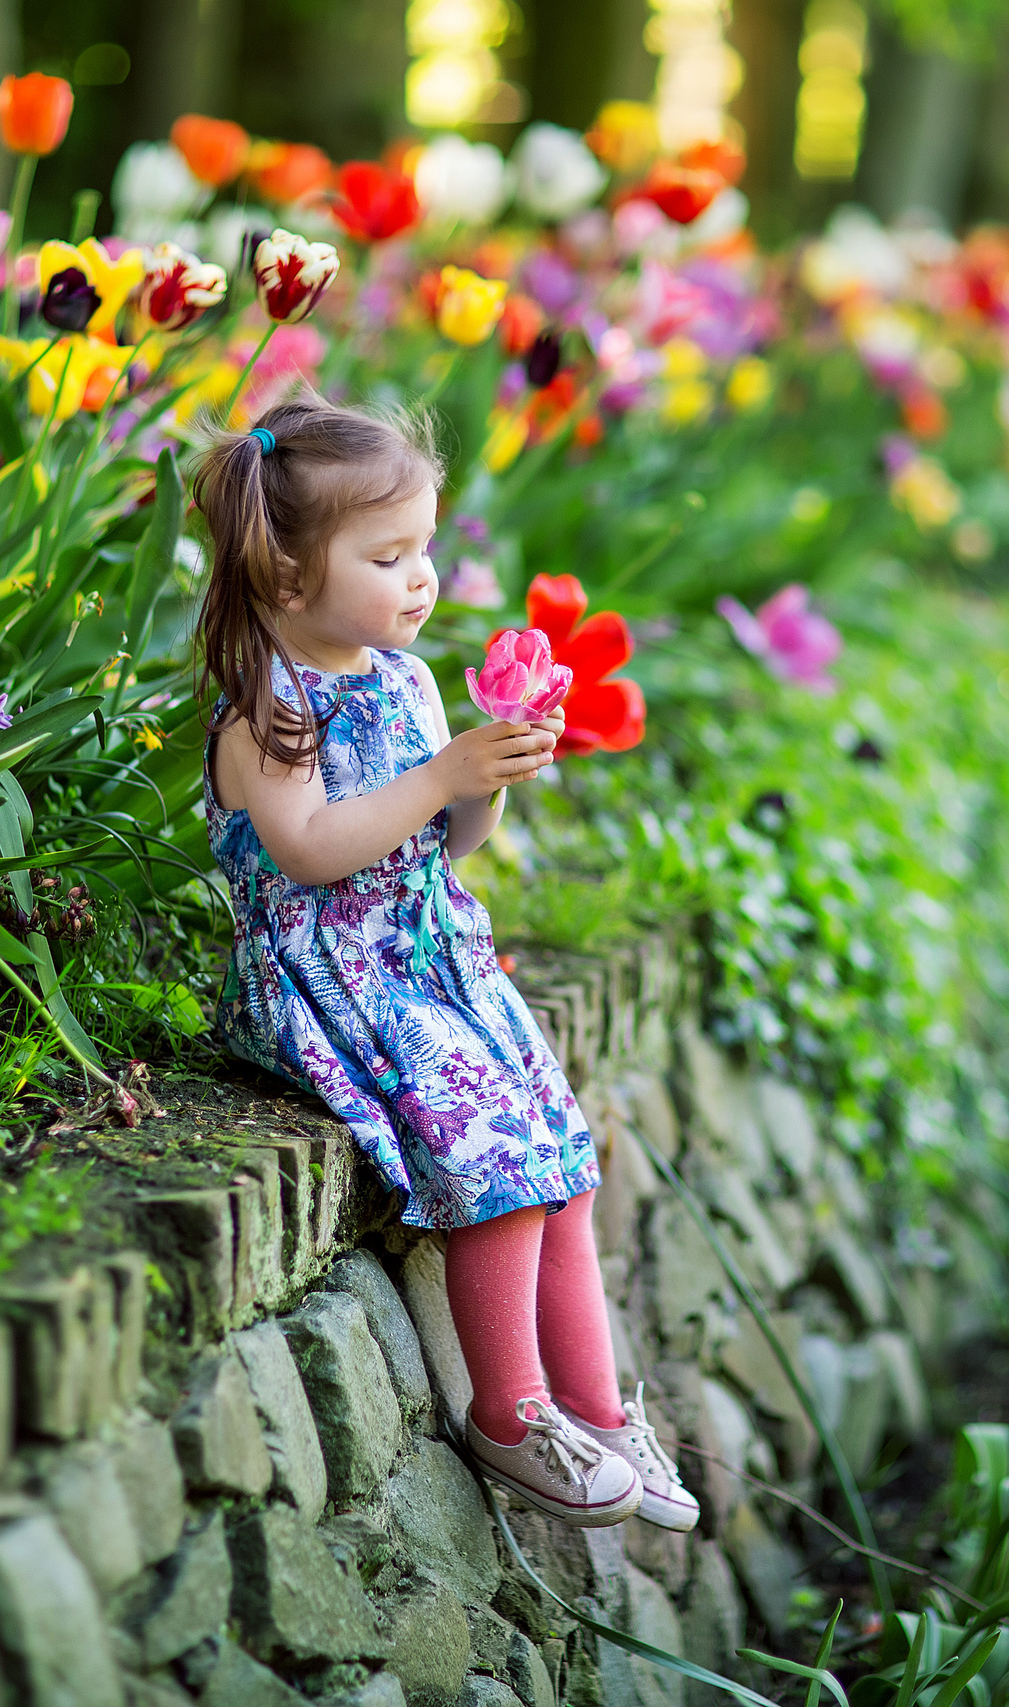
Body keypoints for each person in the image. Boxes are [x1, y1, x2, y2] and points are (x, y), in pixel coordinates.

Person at [192, 393, 695, 1532]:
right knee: (497, 1172)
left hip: (432, 963)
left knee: (560, 1163)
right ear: (285, 577)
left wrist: (485, 783)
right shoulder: (267, 713)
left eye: (424, 547)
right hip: (333, 979)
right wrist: (435, 779)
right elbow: (310, 853)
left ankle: (600, 1414)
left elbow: (445, 841)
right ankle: (510, 1418)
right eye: (387, 554)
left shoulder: (405, 680)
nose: (421, 577)